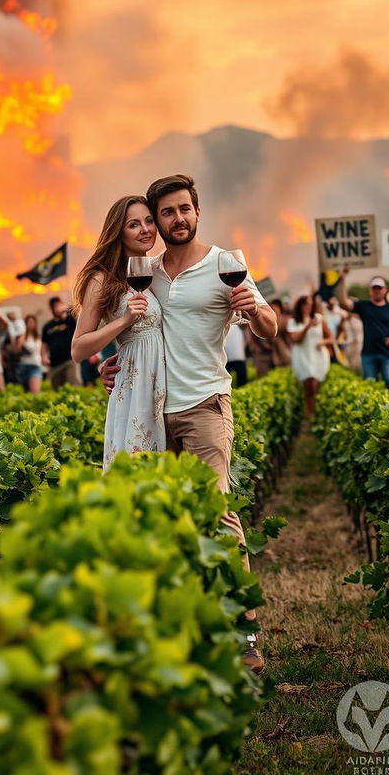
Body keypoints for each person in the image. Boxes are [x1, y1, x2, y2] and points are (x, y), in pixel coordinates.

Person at [98, 174, 277, 674]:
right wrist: (108, 364)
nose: (176, 219)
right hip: (150, 412)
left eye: (184, 210)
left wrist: (253, 311)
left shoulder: (226, 265)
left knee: (217, 514)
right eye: (166, 213)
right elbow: (130, 331)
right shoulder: (145, 270)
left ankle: (242, 632)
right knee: (165, 521)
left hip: (204, 407)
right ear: (156, 221)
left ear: (198, 212)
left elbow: (270, 326)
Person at [73, 195, 166, 464]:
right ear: (118, 232)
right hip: (136, 388)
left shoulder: (158, 269)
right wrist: (123, 321)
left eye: (149, 221)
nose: (145, 229)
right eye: (134, 224)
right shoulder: (102, 279)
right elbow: (78, 349)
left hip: (168, 382)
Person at [337, 270, 389, 390]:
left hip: (388, 354)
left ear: (385, 290)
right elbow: (344, 302)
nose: (377, 290)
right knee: (370, 385)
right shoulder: (363, 306)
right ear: (370, 291)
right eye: (374, 288)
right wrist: (341, 279)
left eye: (379, 288)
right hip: (368, 354)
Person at [287, 295, 332, 416]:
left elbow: (331, 338)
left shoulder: (319, 318)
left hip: (318, 356)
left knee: (316, 385)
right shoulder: (293, 321)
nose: (308, 307)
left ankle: (313, 411)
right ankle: (312, 413)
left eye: (310, 305)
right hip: (302, 356)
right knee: (310, 384)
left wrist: (323, 342)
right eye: (306, 304)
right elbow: (297, 340)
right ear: (300, 306)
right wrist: (308, 326)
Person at [42, 297, 81, 389]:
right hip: (54, 363)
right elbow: (44, 344)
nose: (57, 308)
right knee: (56, 388)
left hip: (69, 359)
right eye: (55, 306)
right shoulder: (48, 326)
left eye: (59, 305)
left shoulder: (70, 320)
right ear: (51, 309)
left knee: (73, 385)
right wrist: (43, 356)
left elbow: (78, 313)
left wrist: (65, 309)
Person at [19, 315, 44, 394]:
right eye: (28, 322)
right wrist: (22, 333)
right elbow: (16, 349)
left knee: (35, 392)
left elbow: (41, 350)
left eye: (32, 322)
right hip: (23, 365)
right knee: (26, 392)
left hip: (35, 365)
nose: (31, 324)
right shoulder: (23, 336)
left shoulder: (38, 337)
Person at [225, 323, 247, 387]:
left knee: (242, 382)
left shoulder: (239, 322)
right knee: (226, 384)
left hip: (239, 356)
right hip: (226, 358)